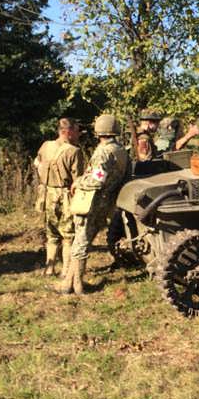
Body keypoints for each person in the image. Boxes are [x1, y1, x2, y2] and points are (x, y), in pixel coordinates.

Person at [56, 114, 129, 294]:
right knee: (85, 241)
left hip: (92, 202)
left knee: (80, 242)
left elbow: (97, 179)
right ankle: (68, 283)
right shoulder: (121, 150)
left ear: (99, 131)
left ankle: (76, 285)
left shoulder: (103, 152)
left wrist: (78, 182)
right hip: (108, 201)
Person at [34, 118, 86, 276]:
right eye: (76, 131)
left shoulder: (46, 146)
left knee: (51, 234)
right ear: (67, 132)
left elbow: (37, 163)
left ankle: (49, 268)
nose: (78, 134)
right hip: (65, 196)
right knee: (68, 235)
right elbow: (78, 179)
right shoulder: (74, 151)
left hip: (47, 195)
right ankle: (66, 270)